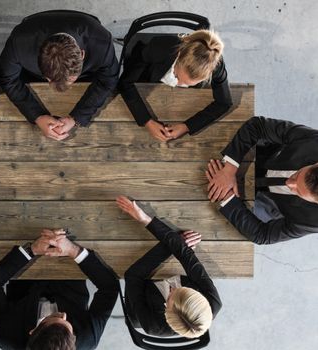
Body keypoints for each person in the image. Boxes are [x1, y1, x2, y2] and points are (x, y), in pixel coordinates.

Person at [0, 229, 119, 350]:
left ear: (33, 330)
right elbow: (109, 288)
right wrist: (73, 250)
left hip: (24, 273)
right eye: (67, 323)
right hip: (69, 268)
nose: (64, 315)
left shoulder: (8, 337)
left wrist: (32, 250)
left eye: (54, 317)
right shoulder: (88, 337)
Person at [0, 11, 119, 141]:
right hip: (34, 75)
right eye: (50, 79)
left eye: (71, 79)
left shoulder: (102, 42)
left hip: (87, 76)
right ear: (38, 60)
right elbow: (6, 78)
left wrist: (76, 118)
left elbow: (109, 79)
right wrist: (37, 116)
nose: (61, 87)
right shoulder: (19, 42)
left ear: (82, 55)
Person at [116, 195, 221, 338]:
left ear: (166, 312)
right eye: (184, 291)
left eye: (171, 296)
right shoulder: (212, 303)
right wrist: (145, 219)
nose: (173, 289)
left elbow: (133, 275)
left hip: (140, 299)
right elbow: (185, 255)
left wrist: (175, 244)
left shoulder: (151, 324)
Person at [205, 116, 318, 244]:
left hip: (271, 204)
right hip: (266, 157)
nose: (288, 183)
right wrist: (230, 167)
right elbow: (258, 125)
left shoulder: (314, 220)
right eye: (296, 176)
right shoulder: (314, 142)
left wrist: (228, 198)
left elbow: (263, 235)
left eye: (298, 191)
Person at [118, 29, 232, 141]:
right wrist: (146, 120)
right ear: (179, 54)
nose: (177, 84)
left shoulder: (216, 66)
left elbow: (224, 102)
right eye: (176, 76)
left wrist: (187, 126)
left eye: (187, 84)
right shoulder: (158, 48)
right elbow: (125, 82)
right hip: (148, 76)